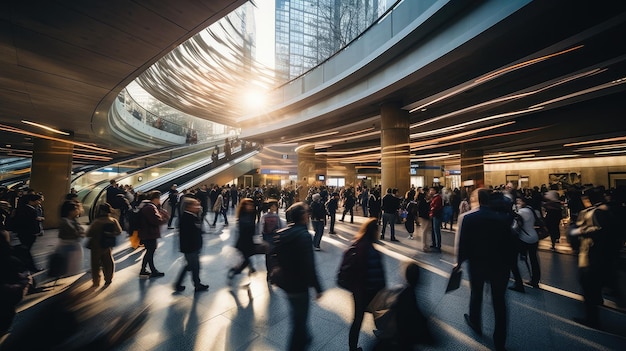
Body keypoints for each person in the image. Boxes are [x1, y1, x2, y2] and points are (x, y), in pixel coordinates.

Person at [454, 188, 513, 351]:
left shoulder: (467, 218)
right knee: (499, 302)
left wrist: (458, 262)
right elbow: (509, 244)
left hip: (477, 264)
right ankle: (499, 340)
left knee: (476, 293)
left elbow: (462, 243)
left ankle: (475, 322)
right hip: (499, 266)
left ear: (476, 199)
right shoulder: (502, 218)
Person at [274, 202, 323, 350]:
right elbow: (309, 264)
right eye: (307, 212)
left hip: (287, 283)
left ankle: (305, 337)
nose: (309, 215)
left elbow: (276, 256)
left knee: (297, 315)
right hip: (300, 285)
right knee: (299, 320)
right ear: (302, 216)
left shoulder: (282, 233)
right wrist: (317, 287)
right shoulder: (304, 235)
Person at [348, 218, 385, 351]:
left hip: (357, 291)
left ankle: (352, 348)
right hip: (370, 293)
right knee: (382, 317)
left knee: (357, 321)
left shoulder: (357, 244)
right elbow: (377, 275)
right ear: (373, 231)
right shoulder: (372, 251)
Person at [174, 198, 209, 293]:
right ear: (189, 207)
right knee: (194, 266)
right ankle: (196, 284)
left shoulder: (192, 216)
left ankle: (180, 284)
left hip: (192, 247)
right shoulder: (187, 218)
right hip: (190, 248)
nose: (198, 207)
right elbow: (188, 235)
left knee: (190, 266)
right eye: (196, 205)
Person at [509, 196, 541, 293]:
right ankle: (535, 280)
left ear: (524, 202)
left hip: (524, 238)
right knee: (534, 259)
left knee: (512, 259)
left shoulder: (522, 212)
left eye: (519, 201)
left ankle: (518, 282)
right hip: (534, 236)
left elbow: (515, 225)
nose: (518, 203)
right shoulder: (532, 210)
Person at [86, 203, 122, 287]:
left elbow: (88, 234)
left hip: (95, 246)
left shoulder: (97, 222)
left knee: (95, 264)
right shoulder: (113, 220)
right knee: (108, 262)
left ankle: (96, 281)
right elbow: (119, 231)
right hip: (107, 245)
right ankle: (108, 278)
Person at [138, 190, 169, 278]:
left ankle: (149, 270)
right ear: (155, 199)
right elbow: (155, 221)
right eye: (159, 199)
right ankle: (144, 270)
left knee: (150, 252)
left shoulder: (147, 206)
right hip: (149, 233)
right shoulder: (150, 208)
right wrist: (165, 217)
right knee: (150, 252)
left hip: (147, 233)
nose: (159, 201)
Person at [227, 198, 259, 282]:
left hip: (249, 240)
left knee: (247, 258)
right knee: (247, 258)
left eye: (251, 205)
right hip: (243, 241)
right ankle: (238, 270)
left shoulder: (252, 214)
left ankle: (236, 270)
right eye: (248, 205)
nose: (250, 206)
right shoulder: (242, 215)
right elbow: (243, 227)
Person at [14, 193, 45, 272]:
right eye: (37, 200)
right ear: (31, 201)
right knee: (26, 251)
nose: (39, 202)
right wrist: (35, 231)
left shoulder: (23, 208)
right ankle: (30, 267)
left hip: (24, 233)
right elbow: (29, 222)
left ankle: (26, 266)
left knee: (26, 250)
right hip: (28, 233)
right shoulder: (29, 210)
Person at [56, 200, 86, 277]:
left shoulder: (73, 220)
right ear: (70, 211)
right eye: (75, 209)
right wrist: (78, 234)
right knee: (68, 266)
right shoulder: (65, 221)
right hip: (67, 245)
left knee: (72, 266)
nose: (77, 210)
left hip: (73, 245)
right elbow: (68, 234)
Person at [259, 200, 283, 280]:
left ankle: (269, 272)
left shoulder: (264, 216)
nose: (275, 207)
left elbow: (261, 227)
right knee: (274, 255)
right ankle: (272, 273)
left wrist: (262, 237)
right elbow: (280, 227)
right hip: (274, 237)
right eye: (274, 206)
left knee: (268, 256)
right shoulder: (276, 216)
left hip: (267, 237)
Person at [429, 187, 443, 251]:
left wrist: (431, 212)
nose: (430, 191)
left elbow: (435, 207)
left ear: (435, 191)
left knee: (436, 230)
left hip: (436, 215)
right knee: (433, 230)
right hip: (434, 215)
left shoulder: (438, 198)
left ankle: (438, 245)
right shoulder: (434, 197)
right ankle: (434, 243)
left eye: (432, 190)